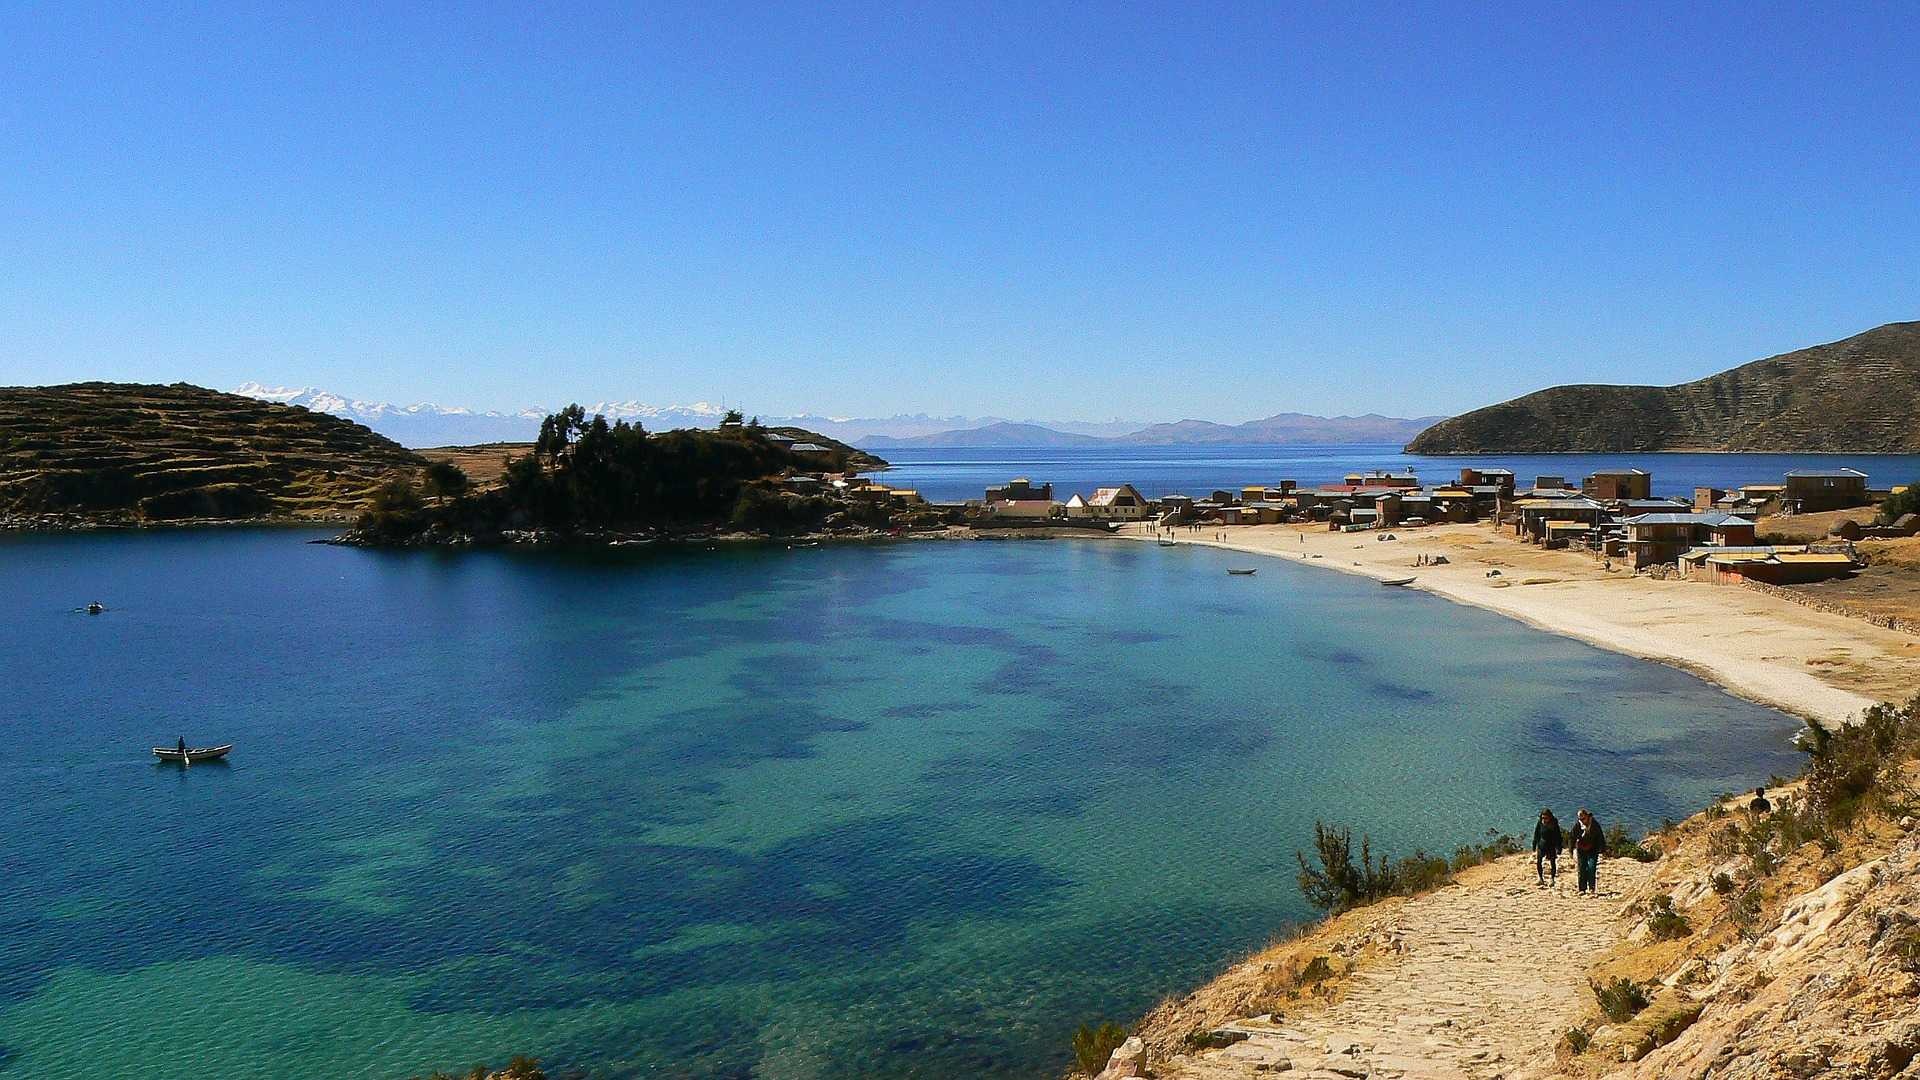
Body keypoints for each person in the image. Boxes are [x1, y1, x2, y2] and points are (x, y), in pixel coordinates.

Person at [1569, 808, 1607, 895]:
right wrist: (1571, 850)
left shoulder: (1594, 824)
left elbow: (1600, 837)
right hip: (1581, 849)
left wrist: (1603, 850)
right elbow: (1572, 837)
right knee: (1581, 868)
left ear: (1587, 816)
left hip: (1592, 849)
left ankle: (1592, 888)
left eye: (1583, 819)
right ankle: (1582, 888)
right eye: (1580, 819)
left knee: (1591, 867)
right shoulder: (1578, 825)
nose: (1582, 821)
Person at [1532, 809, 1562, 886]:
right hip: (1541, 845)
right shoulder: (1540, 823)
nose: (1544, 820)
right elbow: (1536, 834)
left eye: (1546, 818)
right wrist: (1534, 845)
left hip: (1551, 846)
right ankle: (1540, 878)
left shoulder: (1554, 824)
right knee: (1539, 861)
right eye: (1543, 818)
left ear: (1550, 817)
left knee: (1552, 862)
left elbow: (1558, 836)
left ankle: (1552, 878)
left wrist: (1559, 848)